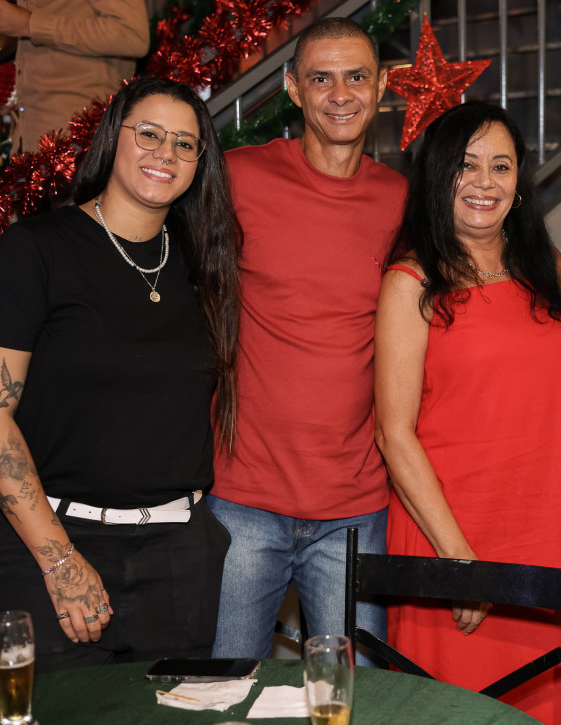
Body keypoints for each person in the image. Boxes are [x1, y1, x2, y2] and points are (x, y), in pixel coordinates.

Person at [0, 76, 240, 671]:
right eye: (149, 134)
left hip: (178, 558)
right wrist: (60, 561)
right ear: (113, 137)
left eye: (185, 144)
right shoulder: (35, 250)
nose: (166, 153)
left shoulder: (203, 264)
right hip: (50, 545)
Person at [374, 101, 561, 725]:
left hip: (546, 523)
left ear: (519, 179)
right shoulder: (411, 281)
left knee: (552, 705)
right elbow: (392, 434)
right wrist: (460, 562)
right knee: (455, 713)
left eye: (500, 166)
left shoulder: (545, 266)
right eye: (466, 165)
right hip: (453, 533)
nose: (485, 182)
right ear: (437, 176)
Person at [208, 17, 407, 660]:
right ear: (293, 88)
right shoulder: (237, 177)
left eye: (356, 77)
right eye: (321, 78)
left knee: (361, 697)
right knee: (221, 694)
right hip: (243, 500)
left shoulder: (402, 201)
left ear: (381, 87)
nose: (340, 94)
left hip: (356, 509)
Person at [0, 0, 149, 152]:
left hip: (83, 142)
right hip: (40, 140)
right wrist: (20, 83)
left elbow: (131, 34)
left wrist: (29, 24)